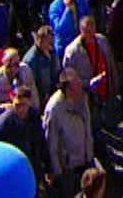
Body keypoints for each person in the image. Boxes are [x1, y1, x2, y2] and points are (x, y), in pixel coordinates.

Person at [44, 67, 95, 198]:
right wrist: (58, 173)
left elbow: (88, 127)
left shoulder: (82, 98)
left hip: (86, 160)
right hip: (68, 168)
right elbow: (52, 144)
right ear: (67, 89)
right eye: (76, 84)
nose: (80, 85)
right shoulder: (54, 109)